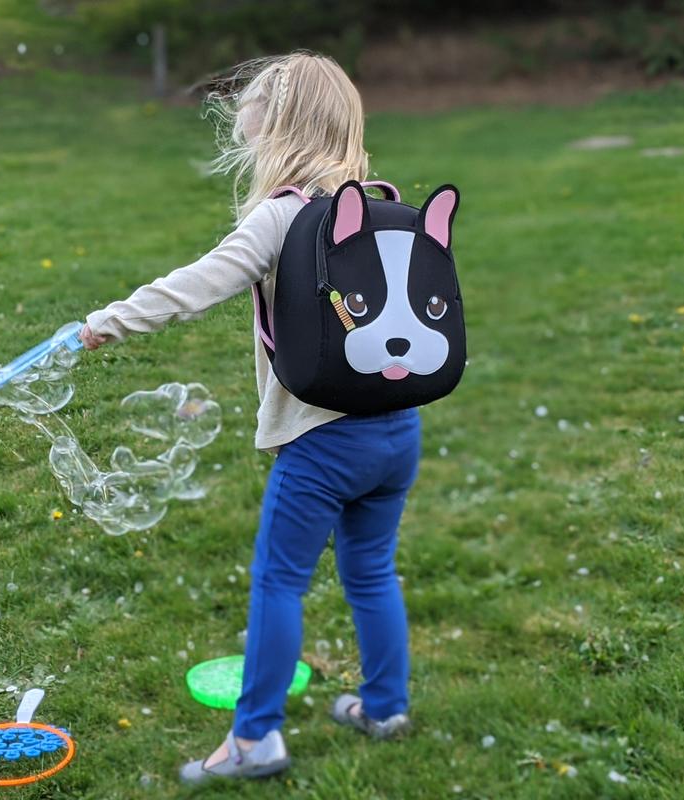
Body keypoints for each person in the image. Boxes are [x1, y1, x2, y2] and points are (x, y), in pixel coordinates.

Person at [80, 51, 420, 784]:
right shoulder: (383, 204)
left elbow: (200, 283)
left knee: (278, 583)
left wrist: (113, 319)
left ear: (280, 133)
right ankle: (386, 707)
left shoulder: (285, 215)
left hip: (321, 442)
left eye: (253, 133)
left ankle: (255, 739)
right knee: (371, 573)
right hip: (397, 433)